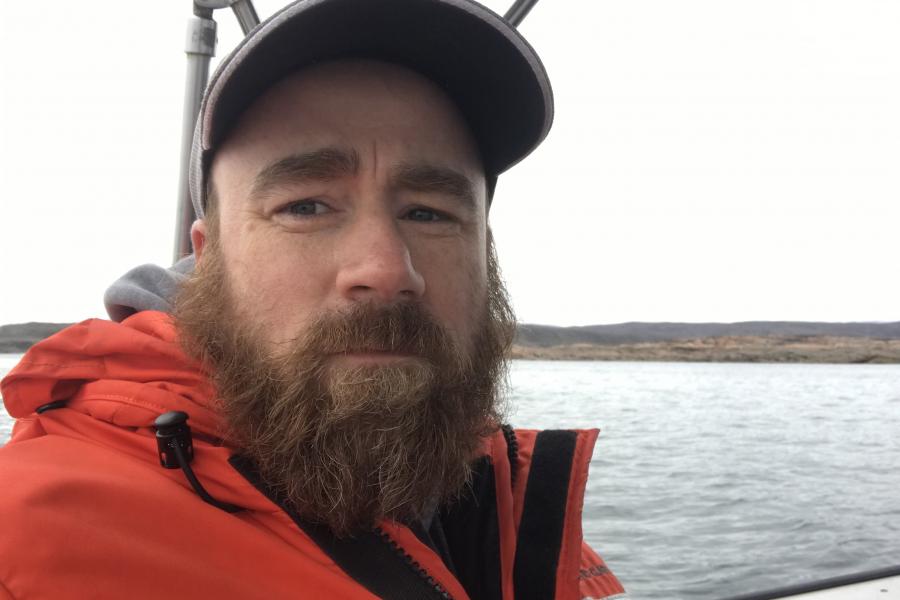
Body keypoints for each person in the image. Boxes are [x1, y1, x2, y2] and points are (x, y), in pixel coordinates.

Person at [0, 0, 626, 598]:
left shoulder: (488, 493)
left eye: (429, 213)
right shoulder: (25, 544)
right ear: (206, 255)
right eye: (305, 206)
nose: (387, 270)